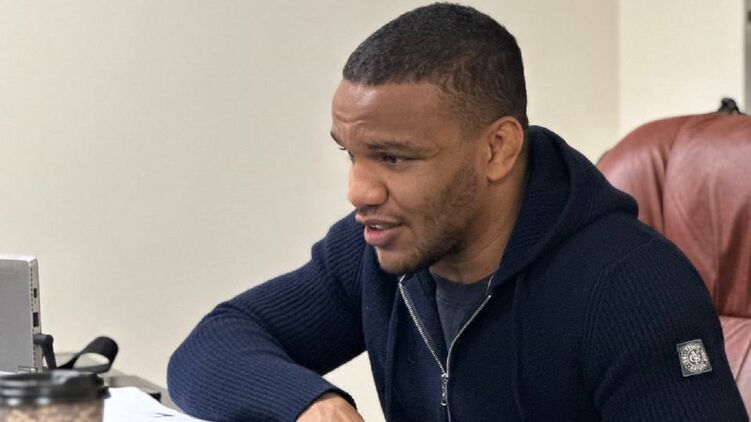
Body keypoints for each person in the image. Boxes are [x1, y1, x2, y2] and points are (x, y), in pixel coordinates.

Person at [167, 4, 748, 421]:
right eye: (351, 154)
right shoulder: (376, 248)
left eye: (393, 158)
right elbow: (213, 345)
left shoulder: (633, 288)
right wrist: (310, 404)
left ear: (497, 149)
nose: (358, 191)